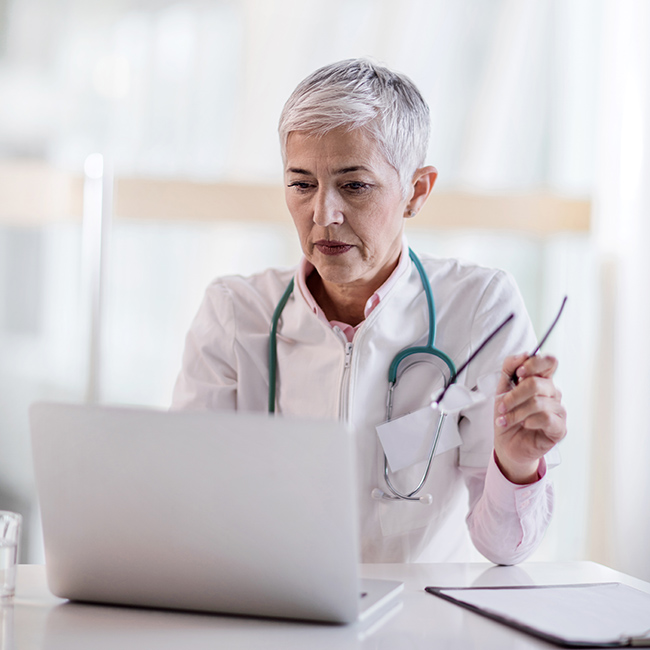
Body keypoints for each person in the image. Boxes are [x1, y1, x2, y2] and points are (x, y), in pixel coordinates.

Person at [172, 59, 566, 564]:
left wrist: (515, 463)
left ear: (416, 192)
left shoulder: (481, 308)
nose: (323, 214)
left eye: (354, 186)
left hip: (420, 627)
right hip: (274, 617)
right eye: (301, 184)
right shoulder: (234, 313)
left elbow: (506, 548)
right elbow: (185, 507)